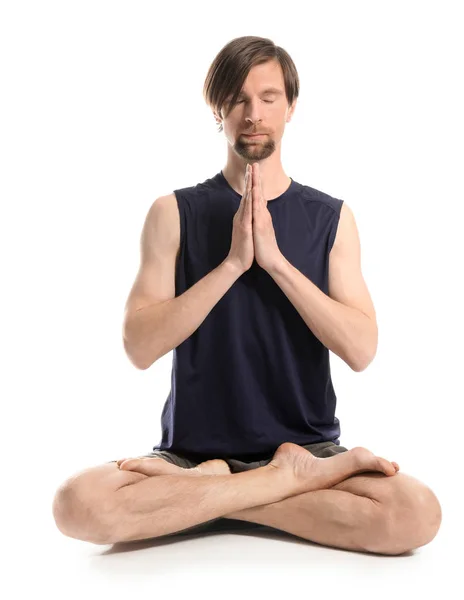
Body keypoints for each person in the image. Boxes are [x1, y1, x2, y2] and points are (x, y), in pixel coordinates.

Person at [52, 36, 442, 554]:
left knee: (415, 514)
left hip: (308, 448)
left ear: (291, 107)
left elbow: (362, 350)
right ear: (218, 109)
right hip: (190, 456)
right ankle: (277, 484)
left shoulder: (332, 219)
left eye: (268, 97)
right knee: (76, 504)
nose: (253, 113)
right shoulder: (172, 213)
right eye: (237, 98)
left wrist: (276, 263)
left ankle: (211, 498)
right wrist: (233, 263)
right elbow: (139, 348)